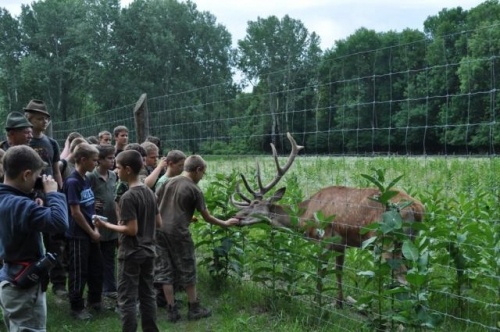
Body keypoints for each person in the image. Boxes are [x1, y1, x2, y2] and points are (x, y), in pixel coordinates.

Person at [155, 154, 240, 322]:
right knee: (188, 267)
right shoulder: (194, 189)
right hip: (179, 233)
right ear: (198, 169)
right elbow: (207, 217)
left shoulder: (168, 181)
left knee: (165, 269)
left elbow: (155, 202)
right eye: (203, 173)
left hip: (159, 231)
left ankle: (172, 310)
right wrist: (226, 223)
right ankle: (194, 308)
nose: (202, 177)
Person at [0, 145, 68, 331]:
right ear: (26, 174)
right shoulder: (21, 205)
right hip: (24, 288)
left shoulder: (7, 199)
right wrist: (53, 194)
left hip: (9, 279)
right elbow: (59, 223)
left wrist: (32, 200)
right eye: (36, 176)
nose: (37, 180)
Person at [94, 150, 161, 332]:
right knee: (147, 295)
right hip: (149, 252)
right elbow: (159, 222)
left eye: (118, 167)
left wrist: (106, 225)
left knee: (127, 298)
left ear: (128, 170)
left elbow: (131, 230)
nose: (116, 171)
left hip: (131, 253)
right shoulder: (149, 192)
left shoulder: (128, 197)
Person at [24, 99, 67, 297]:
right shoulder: (23, 143)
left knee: (55, 239)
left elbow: (56, 170)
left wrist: (59, 192)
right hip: (29, 197)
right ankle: (36, 280)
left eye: (46, 119)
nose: (44, 122)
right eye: (40, 119)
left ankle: (58, 284)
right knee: (31, 241)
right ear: (29, 119)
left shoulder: (51, 143)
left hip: (50, 195)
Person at [62, 142, 103, 320]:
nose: (97, 163)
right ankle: (76, 307)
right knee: (79, 271)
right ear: (83, 159)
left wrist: (95, 227)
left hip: (90, 231)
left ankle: (95, 301)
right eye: (94, 160)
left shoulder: (85, 179)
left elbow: (89, 207)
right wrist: (91, 232)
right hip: (79, 234)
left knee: (96, 267)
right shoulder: (72, 182)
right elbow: (76, 213)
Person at [87, 145, 119, 301]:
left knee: (110, 257)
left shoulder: (113, 175)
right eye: (109, 158)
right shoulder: (91, 176)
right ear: (99, 160)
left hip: (112, 221)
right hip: (98, 222)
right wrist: (92, 203)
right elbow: (85, 195)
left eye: (113, 158)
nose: (113, 161)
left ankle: (110, 287)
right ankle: (97, 289)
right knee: (97, 259)